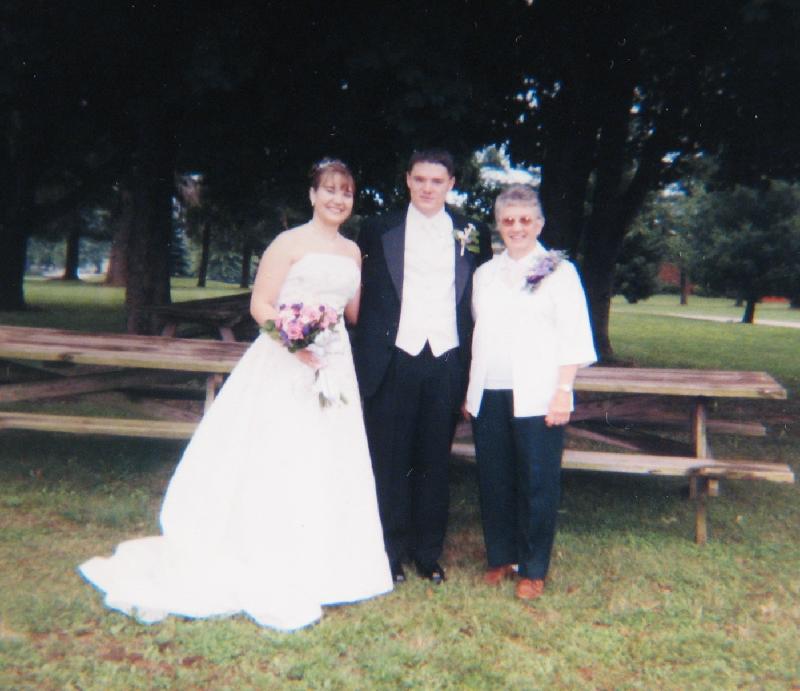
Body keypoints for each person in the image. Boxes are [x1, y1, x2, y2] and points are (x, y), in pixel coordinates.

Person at [79, 159, 392, 631]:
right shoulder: (287, 243)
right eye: (329, 189)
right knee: (278, 453)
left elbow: (353, 313)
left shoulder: (352, 252)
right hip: (285, 361)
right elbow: (260, 304)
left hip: (333, 365)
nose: (337, 199)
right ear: (312, 195)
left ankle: (328, 562)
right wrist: (295, 340)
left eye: (345, 192)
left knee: (328, 454)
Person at [353, 149, 491, 585]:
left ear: (451, 184)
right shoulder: (378, 228)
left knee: (434, 459)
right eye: (420, 179)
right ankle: (390, 553)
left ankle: (428, 553)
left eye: (437, 181)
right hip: (394, 357)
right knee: (390, 458)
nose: (428, 188)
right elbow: (361, 292)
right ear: (408, 180)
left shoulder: (472, 232)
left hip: (447, 358)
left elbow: (480, 297)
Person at [464, 184, 596, 600]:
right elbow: (479, 330)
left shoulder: (560, 272)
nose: (517, 227)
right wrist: (470, 392)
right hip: (490, 389)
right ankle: (501, 556)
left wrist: (563, 391)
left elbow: (573, 334)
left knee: (537, 481)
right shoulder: (485, 274)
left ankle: (533, 567)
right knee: (495, 478)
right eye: (508, 221)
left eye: (525, 220)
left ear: (539, 223)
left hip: (539, 392)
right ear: (499, 225)